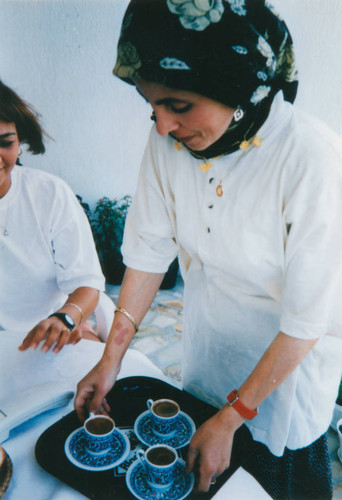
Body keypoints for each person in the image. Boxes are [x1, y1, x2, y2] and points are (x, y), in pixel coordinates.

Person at [74, 0, 342, 497]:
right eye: (150, 105)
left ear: (238, 88)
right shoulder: (168, 144)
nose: (162, 127)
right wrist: (110, 359)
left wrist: (233, 417)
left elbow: (306, 321)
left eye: (178, 105)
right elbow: (149, 253)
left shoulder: (312, 158)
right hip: (210, 351)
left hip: (283, 376)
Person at [0, 80, 105, 353]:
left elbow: (87, 283)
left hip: (47, 339)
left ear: (20, 143)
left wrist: (65, 318)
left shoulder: (50, 194)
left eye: (5, 143)